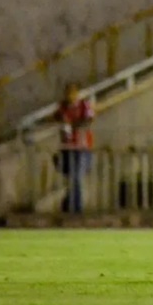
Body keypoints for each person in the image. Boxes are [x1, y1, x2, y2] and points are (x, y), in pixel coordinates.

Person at [53, 83, 95, 213]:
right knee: (71, 177)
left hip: (81, 147)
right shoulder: (62, 107)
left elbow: (89, 119)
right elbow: (56, 116)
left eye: (73, 92)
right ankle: (70, 203)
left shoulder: (83, 105)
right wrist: (62, 120)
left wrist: (72, 124)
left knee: (76, 176)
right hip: (67, 146)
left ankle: (76, 207)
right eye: (68, 92)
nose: (70, 95)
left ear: (77, 93)